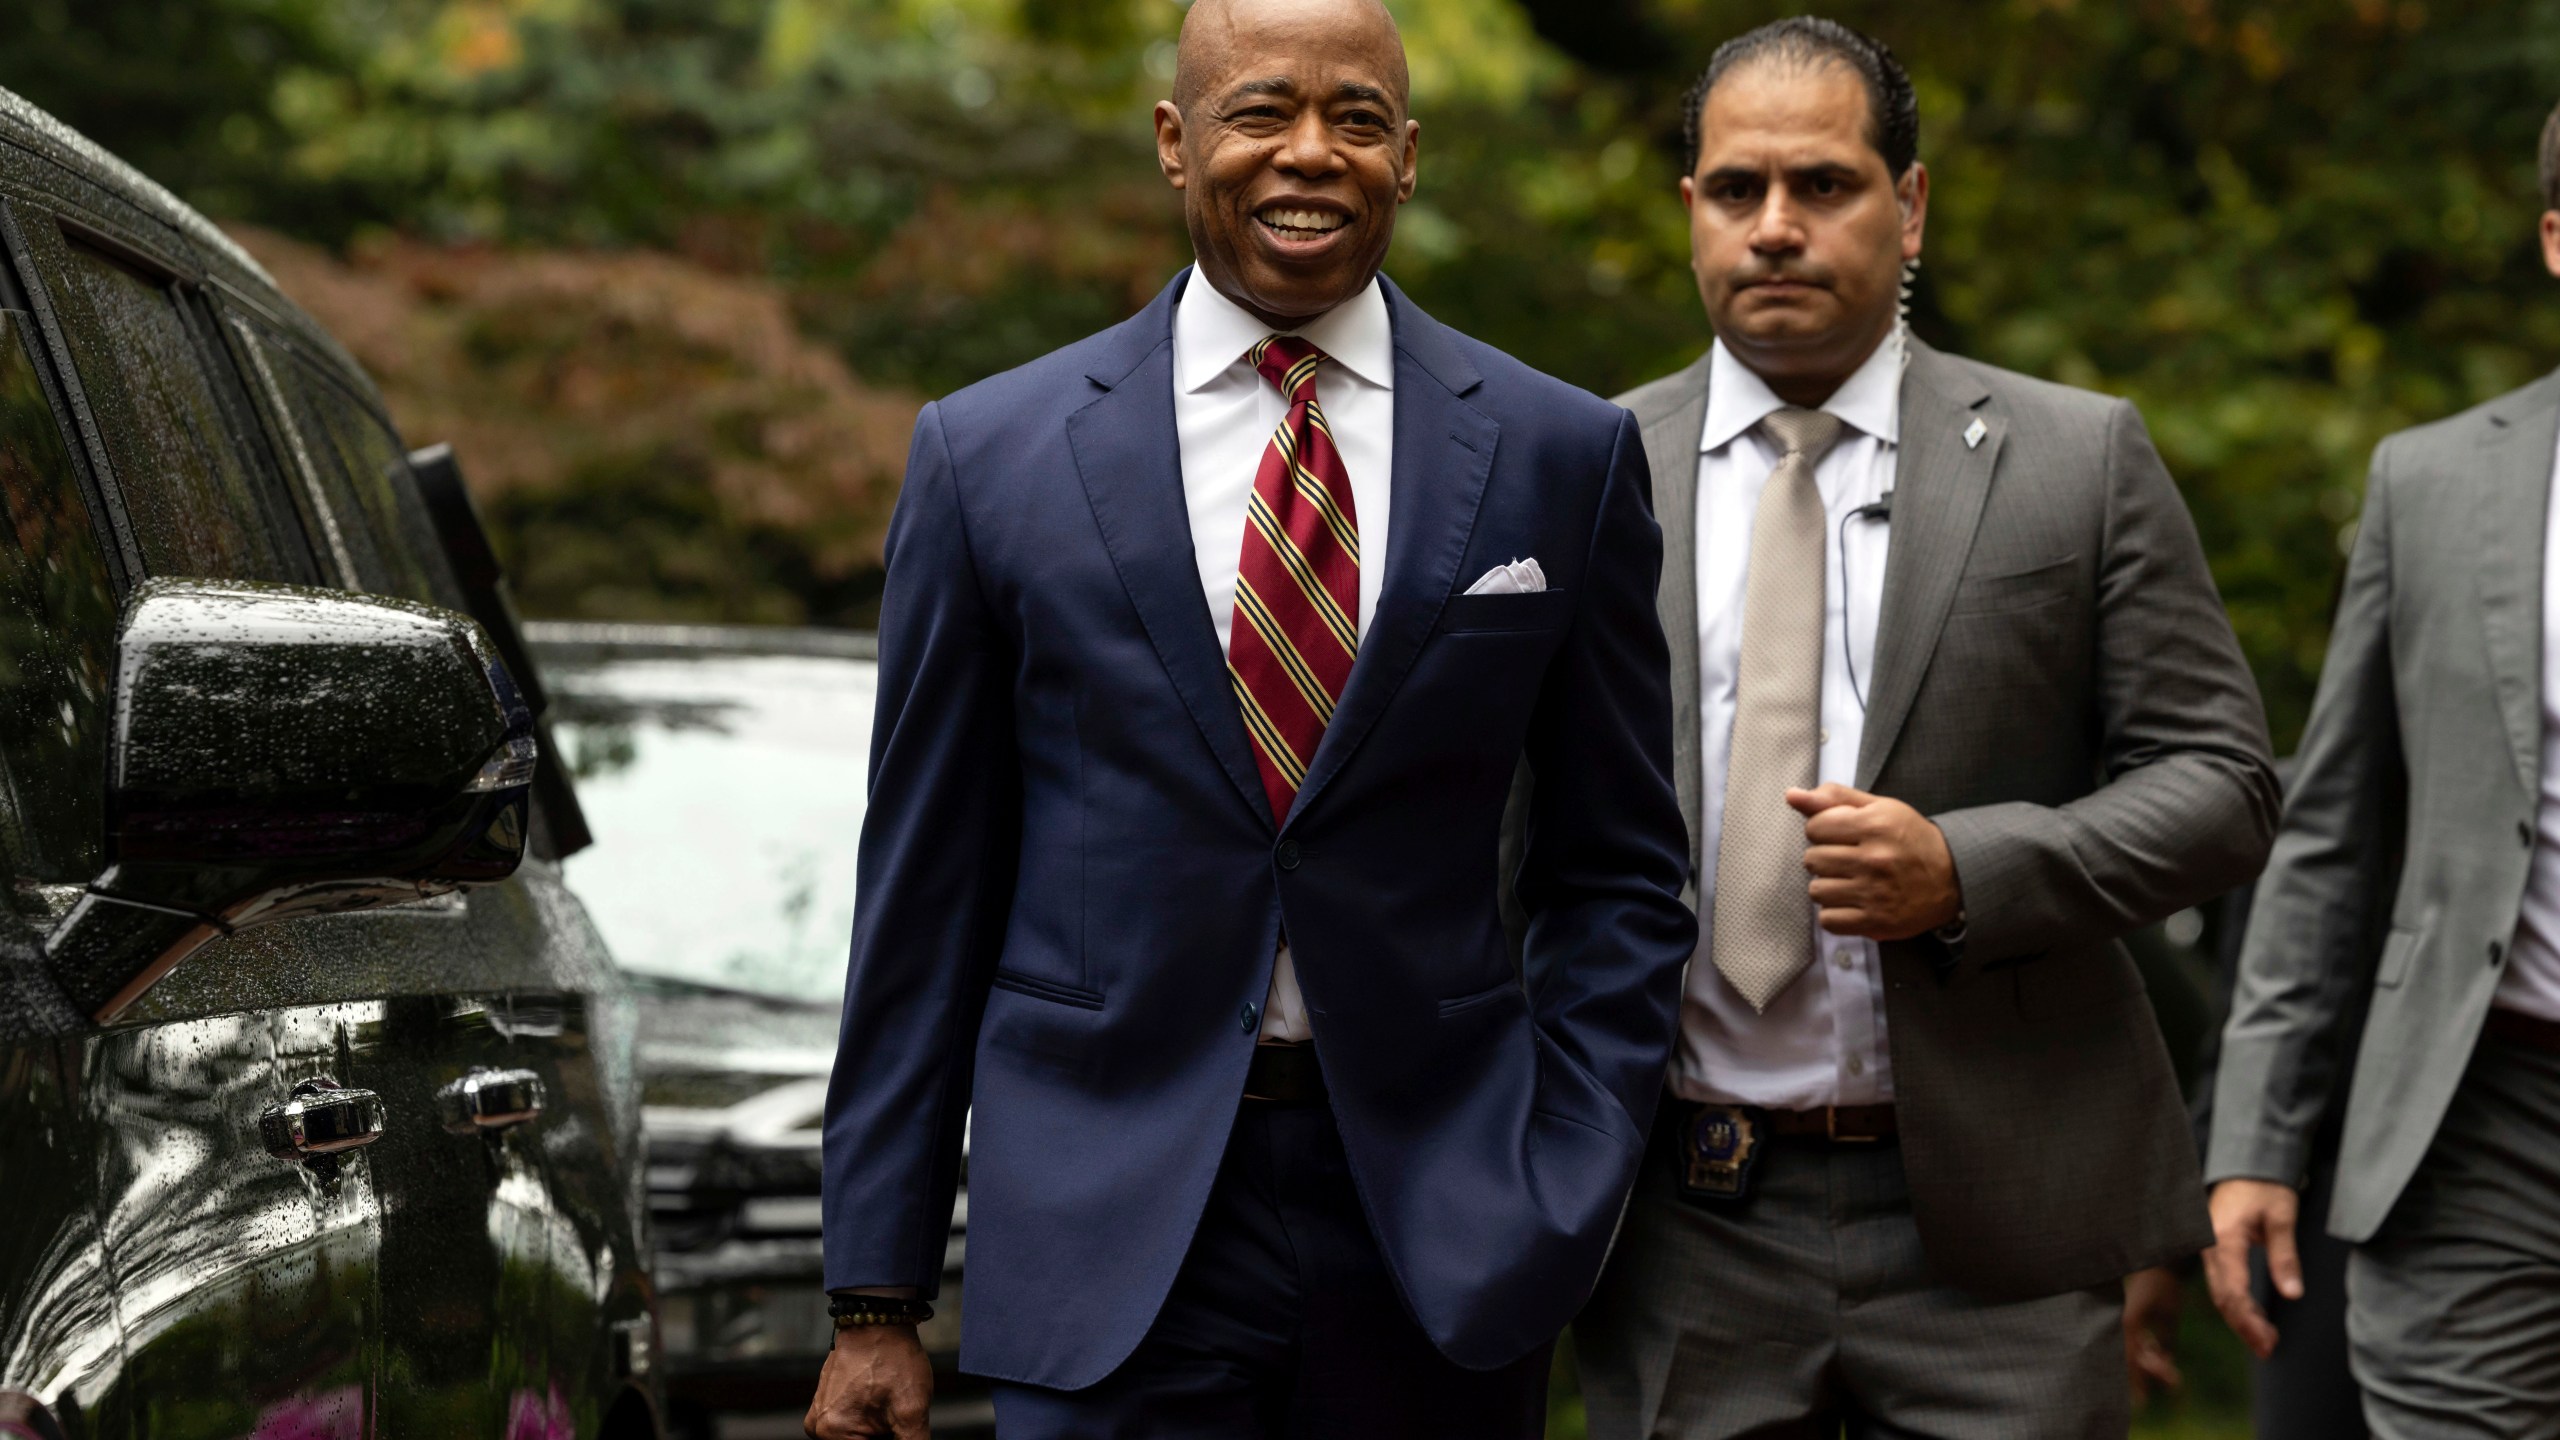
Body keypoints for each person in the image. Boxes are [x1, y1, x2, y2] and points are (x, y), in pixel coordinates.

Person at [804, 0, 1696, 1434]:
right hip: (1101, 1241)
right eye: (1260, 110)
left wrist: (1568, 1176)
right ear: (1175, 142)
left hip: (1442, 1232)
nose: (1310, 153)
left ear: (1409, 156)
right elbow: (923, 895)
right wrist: (875, 1291)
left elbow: (1618, 873)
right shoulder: (989, 456)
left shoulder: (1560, 455)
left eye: (1356, 120)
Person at [1569, 18, 2279, 1437]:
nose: (1775, 229)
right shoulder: (1581, 469)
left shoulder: (2077, 459)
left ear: (1912, 206)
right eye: (1736, 190)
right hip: (1684, 1221)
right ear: (1690, 211)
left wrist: (1969, 871)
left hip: (1998, 1234)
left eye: (1824, 186)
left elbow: (2224, 785)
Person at [2204, 97, 2560, 1439]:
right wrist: (2254, 1131)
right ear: (2553, 240)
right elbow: (2331, 834)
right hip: (2480, 1113)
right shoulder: (2431, 487)